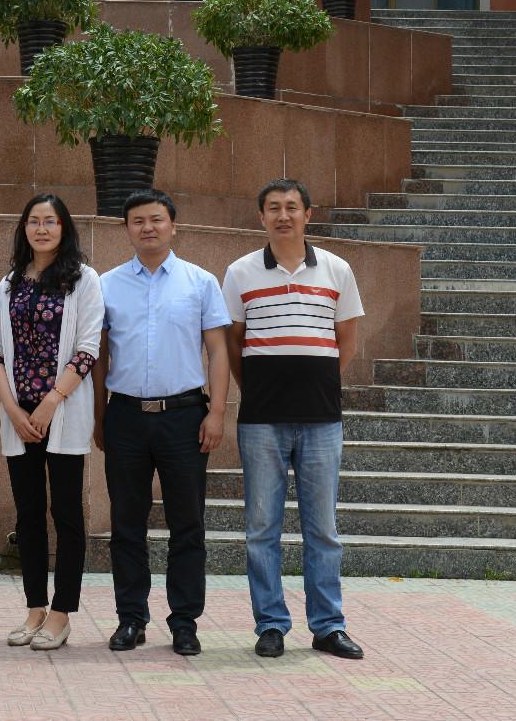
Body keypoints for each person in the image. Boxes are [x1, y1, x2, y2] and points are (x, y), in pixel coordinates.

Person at [222, 178, 366, 661]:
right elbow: (234, 343)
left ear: (308, 213)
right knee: (261, 529)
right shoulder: (240, 272)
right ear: (261, 216)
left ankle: (328, 626)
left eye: (291, 207)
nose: (282, 216)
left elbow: (347, 341)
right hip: (261, 419)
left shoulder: (337, 269)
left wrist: (315, 382)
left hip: (322, 419)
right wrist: (257, 388)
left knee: (322, 529)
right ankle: (270, 624)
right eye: (273, 208)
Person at [93, 188, 231, 657]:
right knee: (126, 523)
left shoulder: (200, 281)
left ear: (173, 225)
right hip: (125, 416)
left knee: (187, 523)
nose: (147, 227)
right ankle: (131, 618)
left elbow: (217, 350)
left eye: (156, 219)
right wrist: (99, 417)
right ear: (126, 229)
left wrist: (217, 412)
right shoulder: (107, 284)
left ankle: (185, 622)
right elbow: (100, 356)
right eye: (137, 221)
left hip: (185, 417)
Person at [0, 193, 102, 651]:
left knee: (67, 514)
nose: (41, 228)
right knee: (29, 514)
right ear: (24, 228)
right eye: (33, 221)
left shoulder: (83, 279)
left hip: (62, 410)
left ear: (63, 228)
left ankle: (61, 614)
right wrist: (14, 411)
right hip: (20, 418)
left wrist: (52, 402)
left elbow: (87, 349)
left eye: (50, 221)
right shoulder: (9, 283)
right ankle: (35, 608)